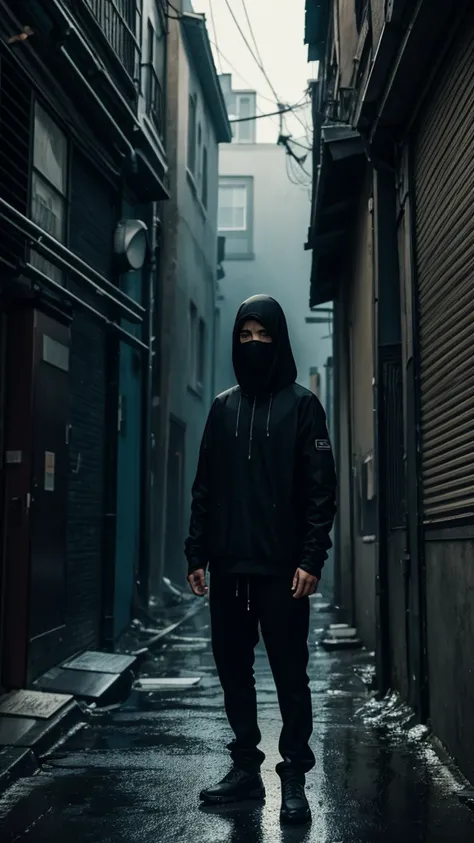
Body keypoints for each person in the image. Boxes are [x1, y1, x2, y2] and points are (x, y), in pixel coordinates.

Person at [185, 295, 336, 826]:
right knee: (233, 671)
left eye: (262, 335)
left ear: (279, 339)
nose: (253, 344)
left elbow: (322, 493)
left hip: (283, 573)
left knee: (290, 676)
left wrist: (311, 558)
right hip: (229, 569)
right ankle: (245, 768)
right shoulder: (222, 408)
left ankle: (293, 777)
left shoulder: (302, 407)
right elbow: (204, 486)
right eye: (244, 336)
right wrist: (196, 552)